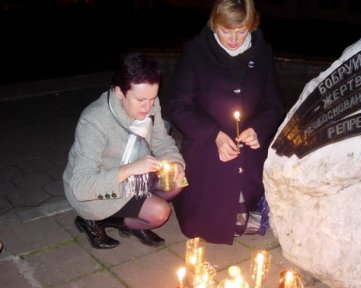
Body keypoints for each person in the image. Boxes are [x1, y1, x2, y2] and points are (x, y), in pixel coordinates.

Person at [168, 0, 284, 244]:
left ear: (251, 27)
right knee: (199, 226)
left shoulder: (262, 51)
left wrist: (258, 129)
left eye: (241, 31)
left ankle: (245, 205)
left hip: (248, 149)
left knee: (244, 211)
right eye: (226, 31)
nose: (234, 39)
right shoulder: (196, 51)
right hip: (206, 145)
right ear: (214, 24)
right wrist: (214, 135)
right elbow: (178, 105)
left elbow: (273, 104)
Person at [63, 52, 185, 249]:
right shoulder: (93, 121)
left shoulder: (149, 103)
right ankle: (95, 220)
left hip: (136, 176)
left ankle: (135, 216)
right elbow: (82, 186)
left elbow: (162, 141)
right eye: (141, 100)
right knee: (159, 213)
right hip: (98, 190)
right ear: (119, 92)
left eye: (153, 98)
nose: (148, 107)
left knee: (177, 181)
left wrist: (175, 162)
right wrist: (131, 169)